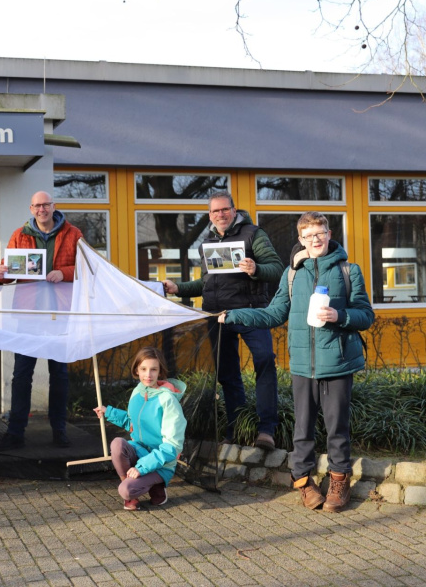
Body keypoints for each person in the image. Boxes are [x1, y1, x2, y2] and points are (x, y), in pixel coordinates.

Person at [219, 212, 374, 512]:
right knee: (301, 429)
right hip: (303, 365)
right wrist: (236, 314)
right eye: (308, 235)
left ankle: (339, 482)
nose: (315, 240)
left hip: (338, 364)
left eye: (320, 233)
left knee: (337, 427)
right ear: (300, 240)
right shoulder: (292, 275)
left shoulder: (348, 271)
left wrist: (339, 316)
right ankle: (303, 480)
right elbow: (273, 314)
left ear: (329, 234)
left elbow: (366, 315)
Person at [163, 191, 283, 451]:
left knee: (264, 363)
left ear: (234, 209)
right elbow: (206, 283)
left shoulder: (254, 234)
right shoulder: (206, 242)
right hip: (218, 317)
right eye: (215, 211)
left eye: (225, 209)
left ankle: (266, 430)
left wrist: (256, 269)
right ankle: (236, 429)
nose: (221, 214)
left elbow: (276, 268)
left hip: (251, 312)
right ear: (210, 215)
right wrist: (178, 288)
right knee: (227, 376)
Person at [0, 191, 82, 450]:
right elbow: (7, 274)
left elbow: (88, 269)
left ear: (54, 206)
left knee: (60, 375)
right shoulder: (19, 235)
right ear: (31, 208)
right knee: (21, 375)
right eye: (37, 206)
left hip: (61, 315)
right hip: (28, 315)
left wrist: (63, 272)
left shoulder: (73, 234)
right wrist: (1, 273)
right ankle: (15, 432)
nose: (42, 209)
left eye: (46, 204)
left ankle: (60, 430)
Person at [94, 347, 187, 511]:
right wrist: (108, 412)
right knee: (117, 444)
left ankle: (154, 486)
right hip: (140, 451)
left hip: (161, 463)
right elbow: (132, 423)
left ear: (160, 371)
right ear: (136, 370)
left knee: (126, 490)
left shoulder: (168, 400)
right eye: (143, 369)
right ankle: (135, 488)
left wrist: (141, 468)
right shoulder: (137, 392)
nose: (148, 375)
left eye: (153, 369)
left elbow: (172, 447)